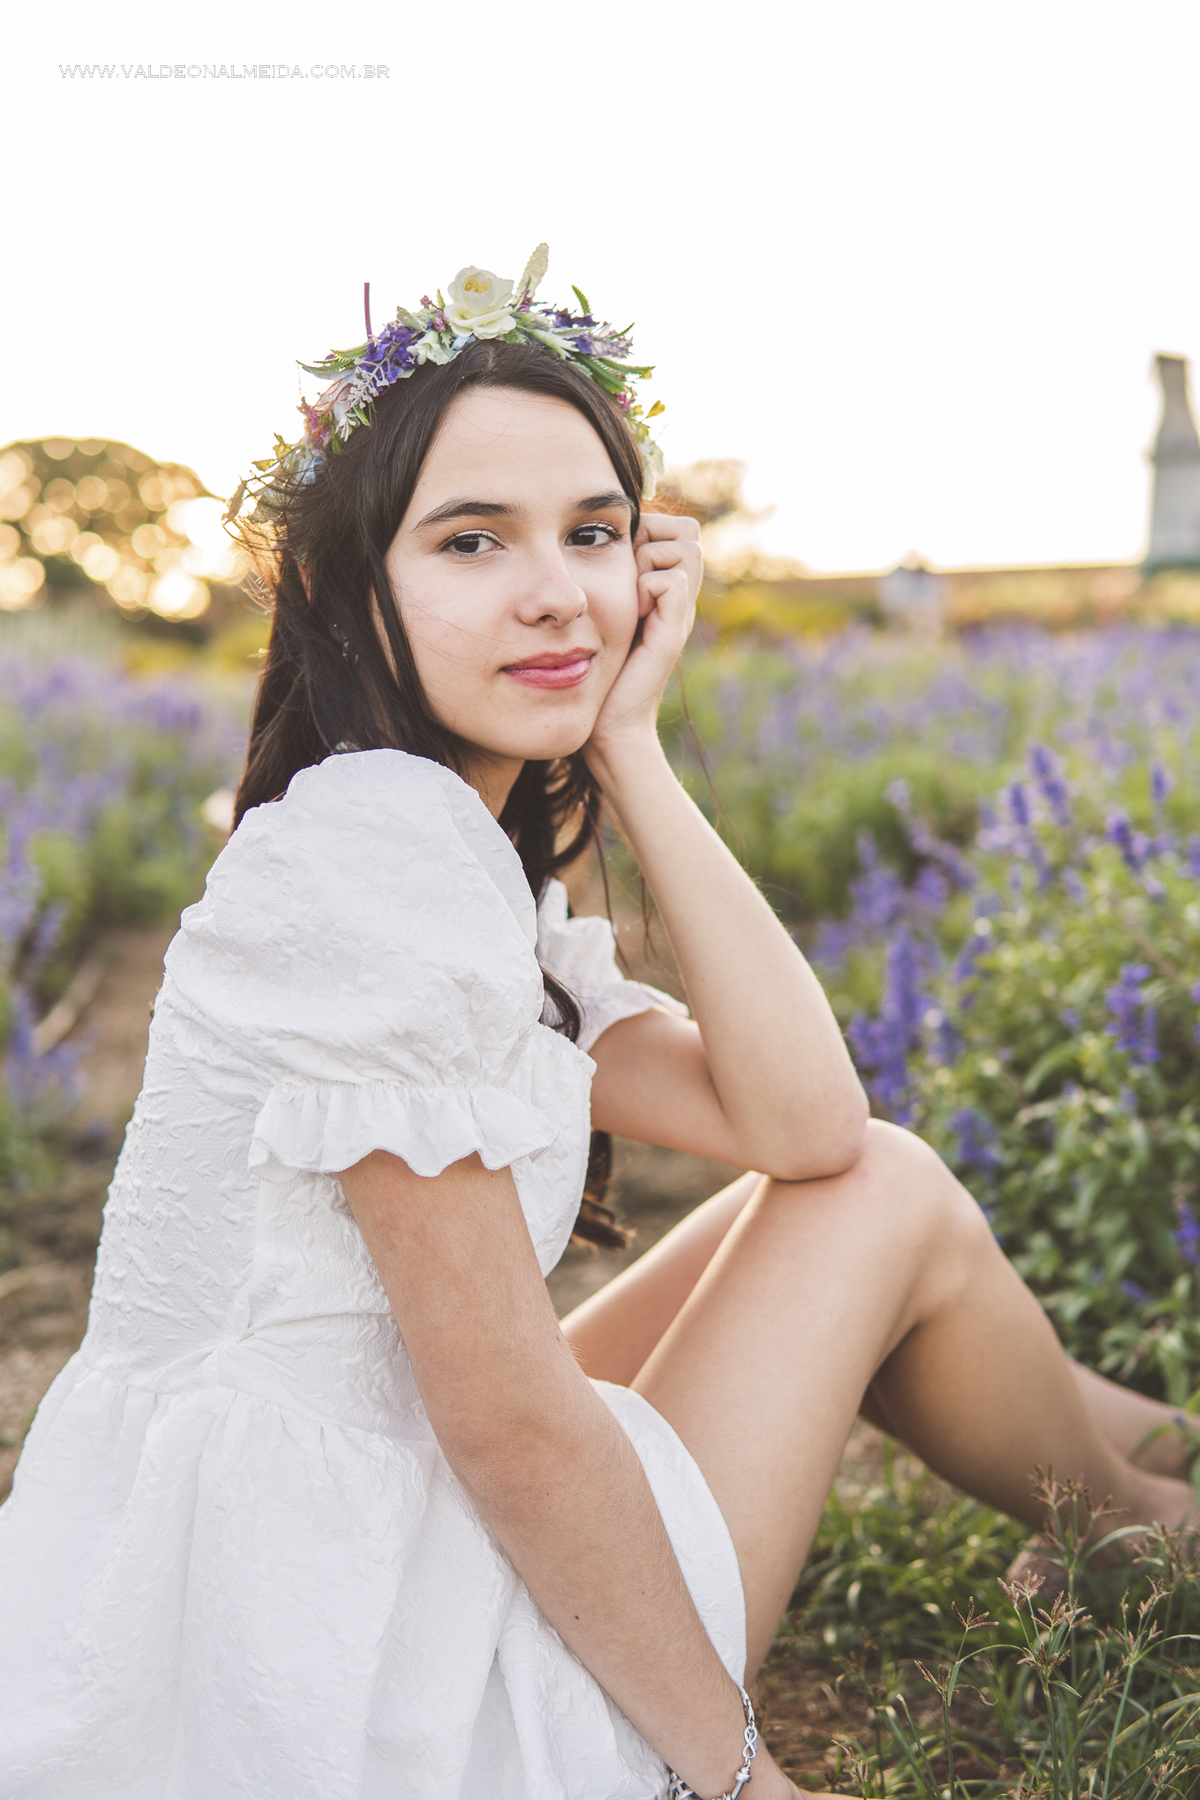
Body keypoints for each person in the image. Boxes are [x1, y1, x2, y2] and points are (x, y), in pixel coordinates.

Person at [0, 252, 1195, 1800]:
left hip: (286, 1525)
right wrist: (739, 1772)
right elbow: (507, 1419)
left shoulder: (419, 833)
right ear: (345, 586)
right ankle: (1143, 1531)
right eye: (472, 539)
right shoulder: (375, 866)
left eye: (595, 531)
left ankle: (1146, 1480)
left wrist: (629, 744)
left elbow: (796, 1126)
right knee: (895, 1196)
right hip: (351, 1650)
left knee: (859, 1181)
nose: (558, 589)